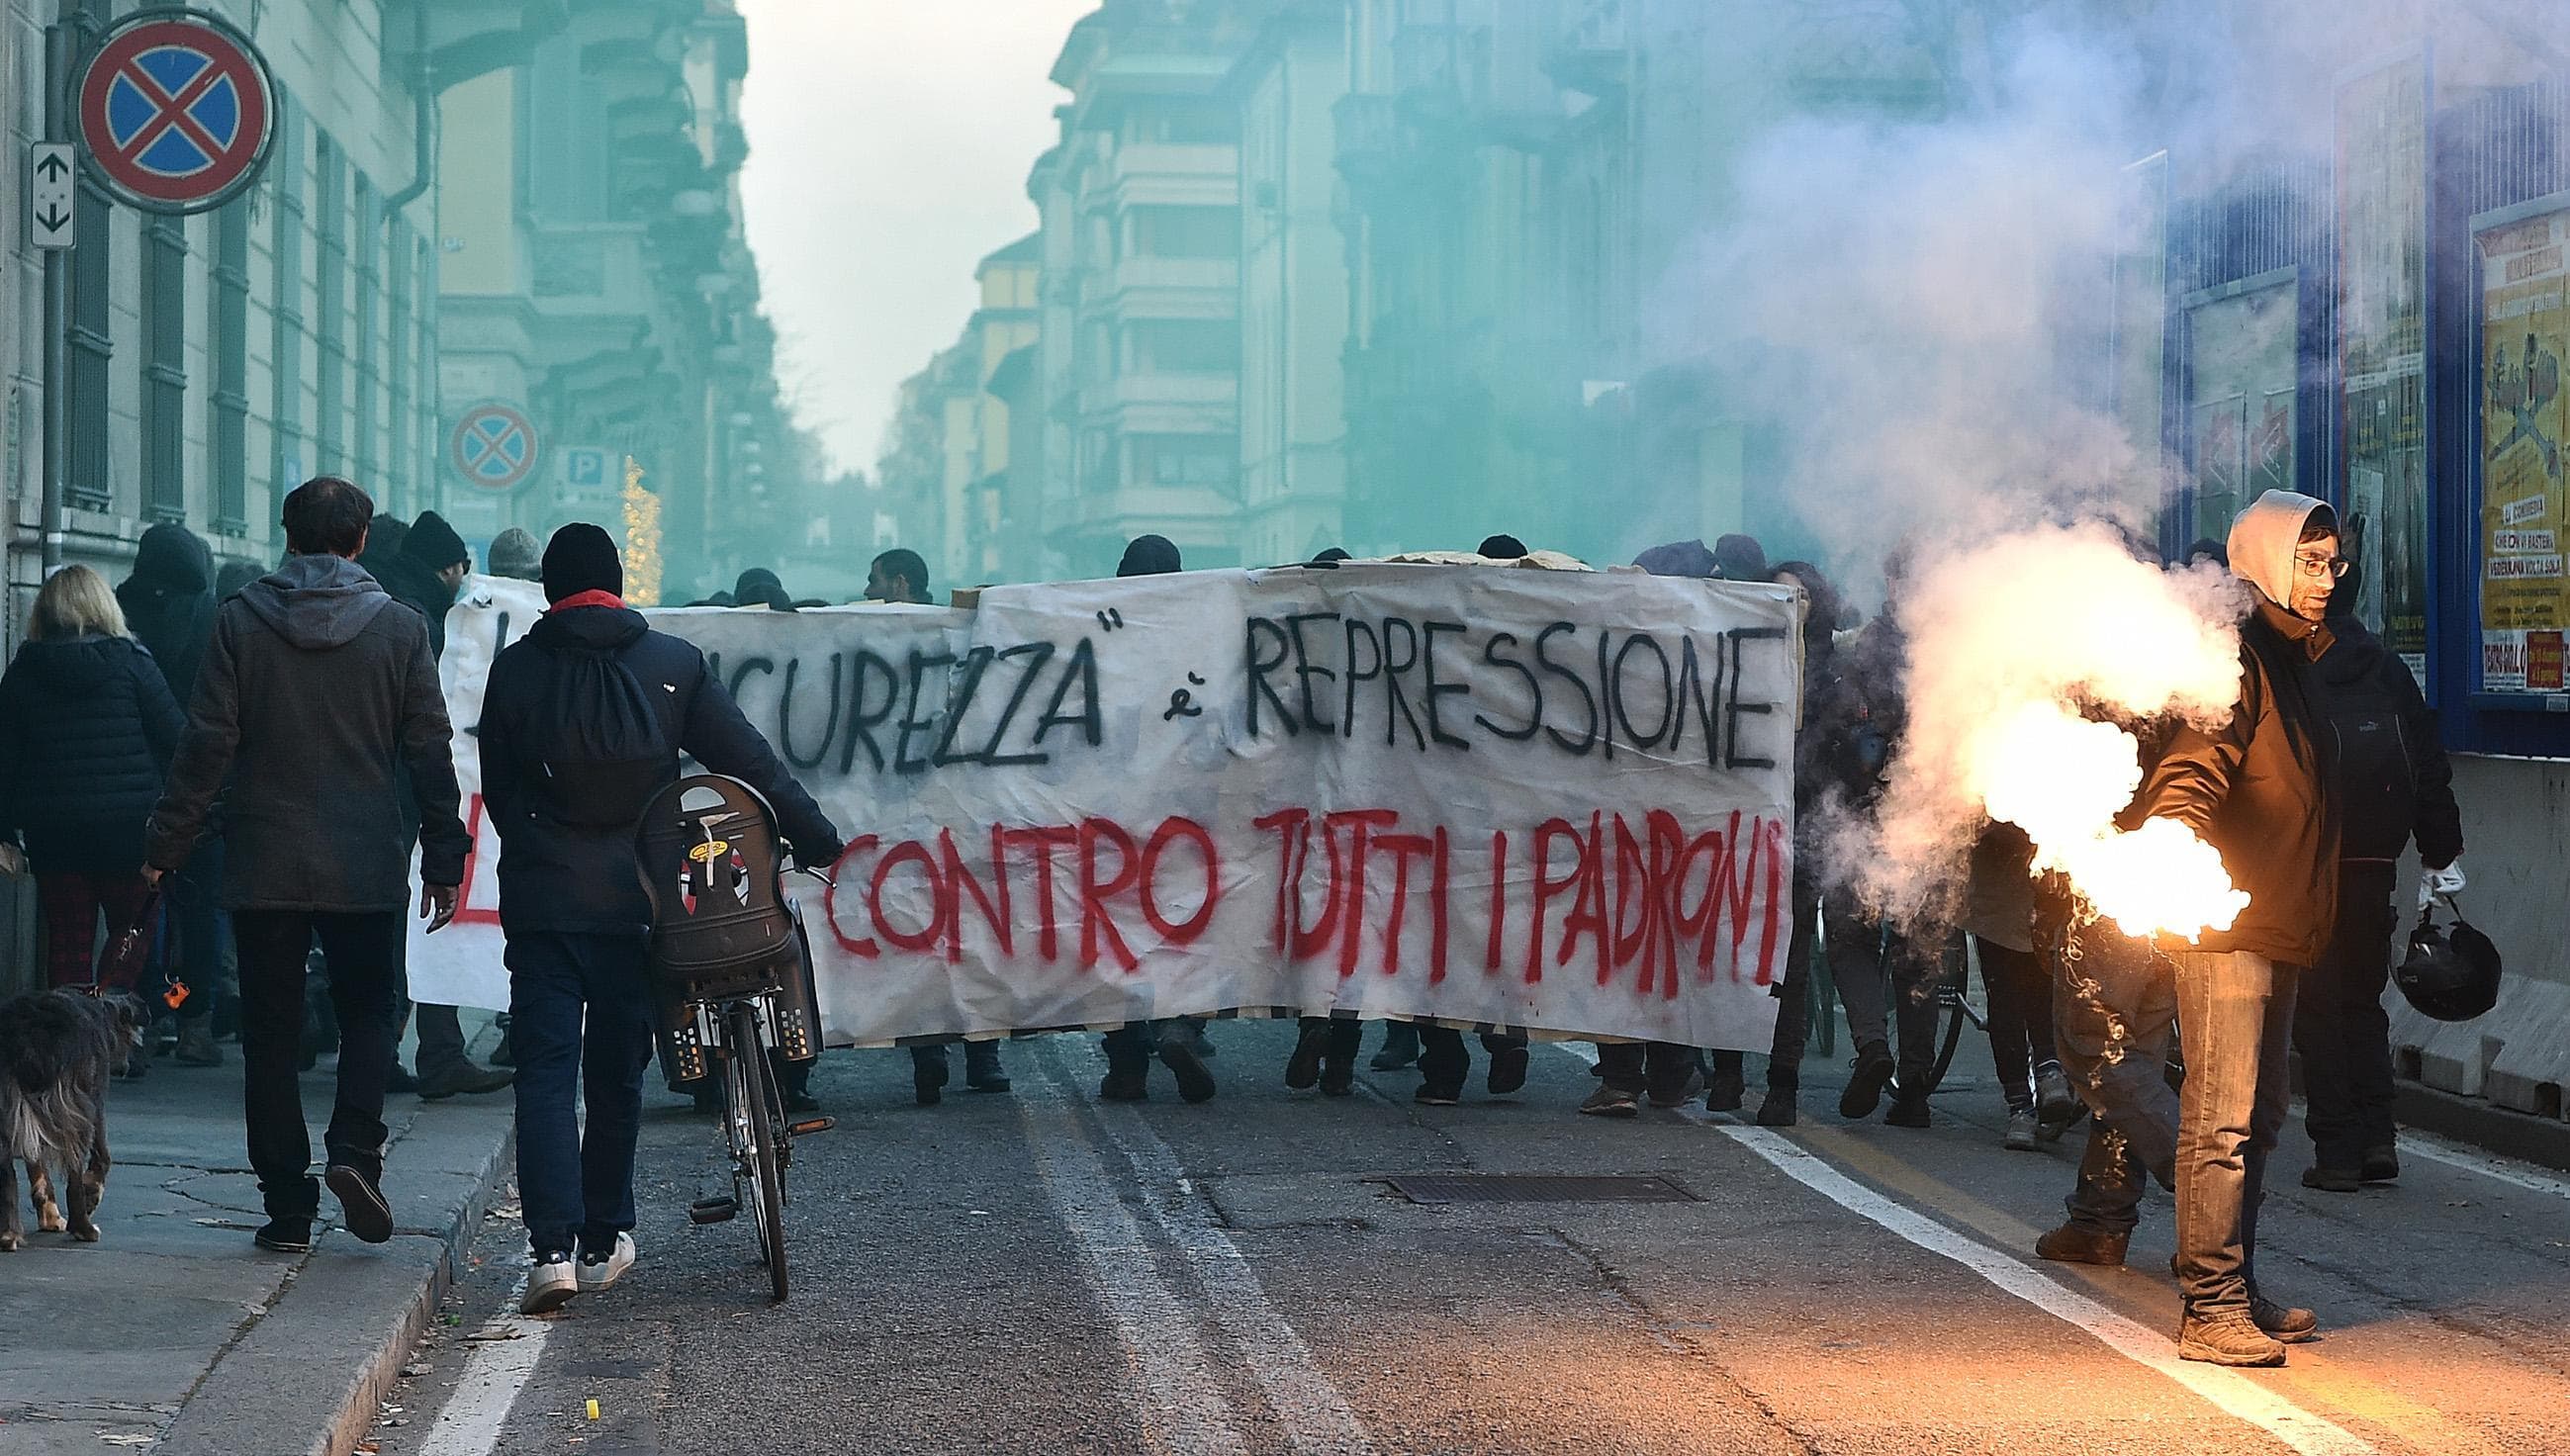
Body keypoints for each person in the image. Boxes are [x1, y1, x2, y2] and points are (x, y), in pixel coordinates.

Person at [480, 523, 843, 1314]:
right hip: (643, 903)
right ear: (618, 583)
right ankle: (604, 1239)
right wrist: (816, 835)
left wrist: (544, 852)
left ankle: (548, 1254)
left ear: (548, 591)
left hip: (544, 903)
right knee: (616, 1072)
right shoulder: (672, 665)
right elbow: (747, 764)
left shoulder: (514, 673)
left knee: (544, 1072)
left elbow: (500, 792)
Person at [143, 476, 470, 1255]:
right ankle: (355, 1150)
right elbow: (429, 748)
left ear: (288, 536)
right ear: (360, 542)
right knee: (368, 1010)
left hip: (265, 857)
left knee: (270, 1033)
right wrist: (445, 855)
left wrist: (165, 847)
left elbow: (206, 745)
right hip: (364, 854)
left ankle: (287, 1208)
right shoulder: (400, 628)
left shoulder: (240, 623)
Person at [2127, 489, 2341, 1367]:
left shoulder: (2294, 655)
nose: (2328, 578)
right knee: (2220, 1121)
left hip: (2278, 925)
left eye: (2333, 563)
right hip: (2229, 930)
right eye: (2309, 561)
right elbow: (2197, 759)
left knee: (2261, 1118)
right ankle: (2208, 1304)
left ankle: (2236, 1285)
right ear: (2262, 559)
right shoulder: (2236, 655)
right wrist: (2175, 828)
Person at [2295, 559, 2463, 1192]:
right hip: (2374, 863)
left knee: (2316, 1008)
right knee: (2363, 1001)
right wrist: (2440, 851)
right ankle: (2378, 1138)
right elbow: (2427, 765)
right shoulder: (2388, 669)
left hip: (2306, 864)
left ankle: (2336, 1148)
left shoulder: (2294, 670)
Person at [0, 568, 185, 1019]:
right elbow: (178, 740)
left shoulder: (24, 672)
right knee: (131, 930)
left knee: (66, 941)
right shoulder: (133, 662)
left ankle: (68, 1042)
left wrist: (6, 831)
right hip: (128, 832)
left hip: (54, 834)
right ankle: (110, 1021)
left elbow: (3, 760)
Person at [375, 510, 512, 1101]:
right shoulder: (428, 621)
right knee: (430, 918)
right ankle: (436, 1055)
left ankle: (403, 1052)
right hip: (410, 796)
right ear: (449, 566)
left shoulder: (388, 602)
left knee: (399, 926)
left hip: (378, 793)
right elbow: (430, 723)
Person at [865, 546, 1009, 1101]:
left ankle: (935, 1052)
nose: (868, 588)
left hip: (925, 808)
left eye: (875, 580)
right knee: (969, 928)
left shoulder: (949, 631)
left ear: (900, 583)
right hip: (953, 809)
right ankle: (979, 1054)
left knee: (926, 928)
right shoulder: (944, 631)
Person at [1808, 551, 1942, 1128]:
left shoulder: (1860, 651)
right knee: (1921, 954)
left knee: (1851, 941)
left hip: (1862, 814)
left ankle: (1871, 1048)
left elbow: (1832, 733)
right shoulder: (1960, 644)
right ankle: (1913, 1087)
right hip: (1936, 818)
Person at [1706, 559, 1839, 1125]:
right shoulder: (1734, 662)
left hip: (1801, 834)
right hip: (1736, 833)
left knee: (1791, 965)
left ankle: (1782, 1083)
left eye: (1801, 597)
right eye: (1780, 596)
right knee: (1729, 952)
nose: (1791, 605)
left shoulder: (1834, 675)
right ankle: (1729, 1071)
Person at [1099, 535, 1217, 1103]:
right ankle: (1182, 1026)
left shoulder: (1096, 632)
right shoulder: (1203, 630)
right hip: (1189, 821)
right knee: (1189, 932)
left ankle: (1126, 1067)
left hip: (1117, 819)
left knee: (1120, 941)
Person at [117, 524, 227, 1065]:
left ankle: (143, 1018)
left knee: (140, 910)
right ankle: (193, 1020)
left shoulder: (120, 611)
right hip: (202, 787)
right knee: (199, 912)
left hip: (134, 785)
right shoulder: (213, 619)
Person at [1959, 824, 2079, 1148]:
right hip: (2053, 872)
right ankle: (2049, 1069)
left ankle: (2020, 1109)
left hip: (2002, 880)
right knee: (2040, 981)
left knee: (2005, 996)